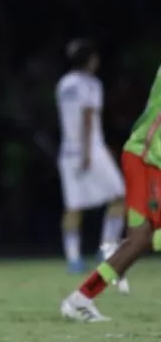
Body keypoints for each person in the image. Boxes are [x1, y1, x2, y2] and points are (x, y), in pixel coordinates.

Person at [61, 64, 161, 322]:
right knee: (147, 236)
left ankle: (81, 299)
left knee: (139, 240)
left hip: (146, 159)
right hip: (147, 159)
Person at [55, 39, 128, 288]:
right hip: (90, 149)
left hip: (67, 151)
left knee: (73, 206)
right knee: (119, 195)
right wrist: (88, 153)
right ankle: (107, 249)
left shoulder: (63, 84)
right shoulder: (91, 84)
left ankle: (73, 258)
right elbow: (88, 117)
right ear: (90, 59)